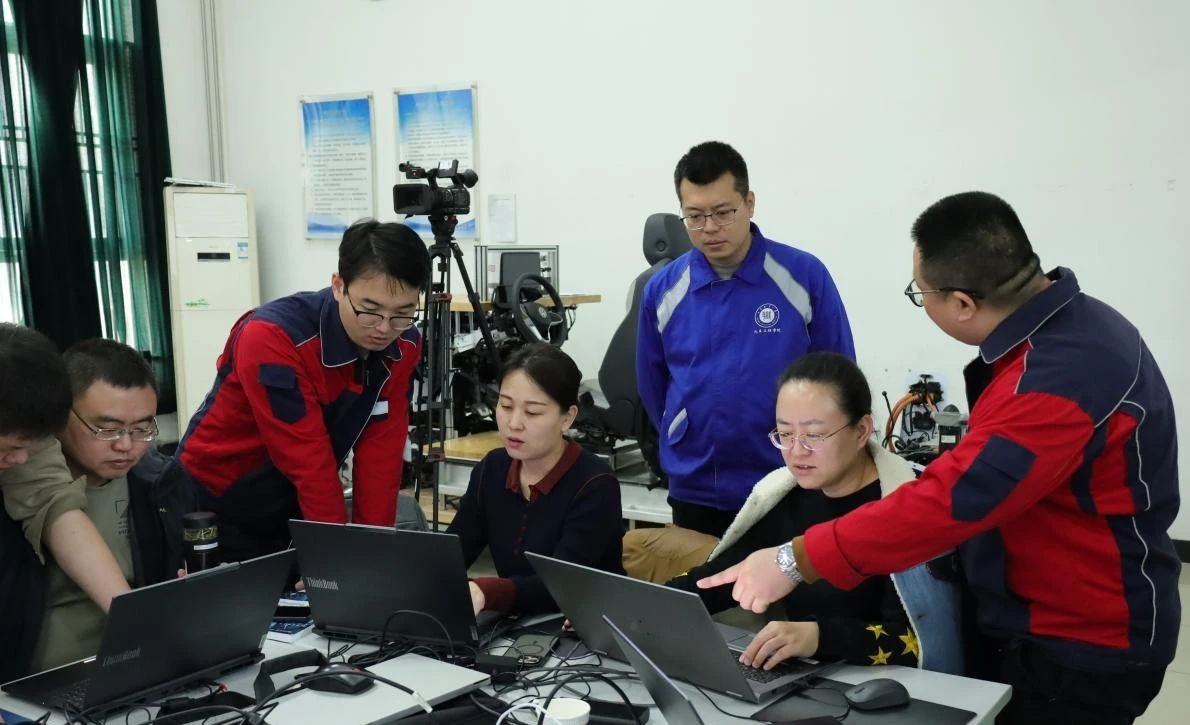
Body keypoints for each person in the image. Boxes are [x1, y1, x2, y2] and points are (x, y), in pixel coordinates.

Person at [701, 192, 1180, 724]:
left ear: (963, 304)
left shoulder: (1057, 380)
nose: (798, 449)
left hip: (1078, 641)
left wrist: (795, 560)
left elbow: (952, 500)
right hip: (1040, 614)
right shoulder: (1073, 329)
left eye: (920, 293)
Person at [669, 352, 962, 673]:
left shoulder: (907, 504)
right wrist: (650, 604)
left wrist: (819, 637)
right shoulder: (781, 494)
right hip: (808, 678)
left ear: (862, 431)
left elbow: (921, 642)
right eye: (785, 434)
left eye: (813, 435)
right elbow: (723, 577)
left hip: (890, 686)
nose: (796, 451)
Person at [173, 220, 429, 561]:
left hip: (290, 501)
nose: (384, 328)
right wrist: (334, 561)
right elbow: (309, 462)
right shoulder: (274, 336)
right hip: (215, 499)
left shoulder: (404, 343)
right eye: (370, 311)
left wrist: (371, 553)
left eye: (403, 313)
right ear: (338, 286)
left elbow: (382, 454)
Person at [636, 141, 856, 537]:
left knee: (786, 577)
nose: (709, 228)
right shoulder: (663, 289)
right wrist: (681, 429)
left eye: (723, 212)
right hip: (696, 485)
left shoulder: (803, 276)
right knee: (700, 575)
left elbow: (840, 376)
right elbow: (652, 384)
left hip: (788, 480)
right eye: (695, 216)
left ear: (749, 203)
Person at [26, 339, 189, 672]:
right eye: (107, 429)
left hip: (143, 662)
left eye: (142, 429)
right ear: (60, 416)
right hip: (42, 678)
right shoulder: (20, 479)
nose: (125, 445)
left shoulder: (161, 483)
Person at [447, 343, 624, 616]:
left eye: (532, 412)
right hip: (515, 621)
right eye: (505, 406)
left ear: (567, 418)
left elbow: (562, 584)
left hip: (581, 623)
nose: (514, 423)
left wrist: (487, 591)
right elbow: (454, 551)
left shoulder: (595, 484)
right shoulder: (492, 468)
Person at [0, 324, 133, 681]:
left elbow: (55, 506)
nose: (22, 459)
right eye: (11, 448)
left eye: (31, 446)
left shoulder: (18, 420)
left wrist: (130, 618)